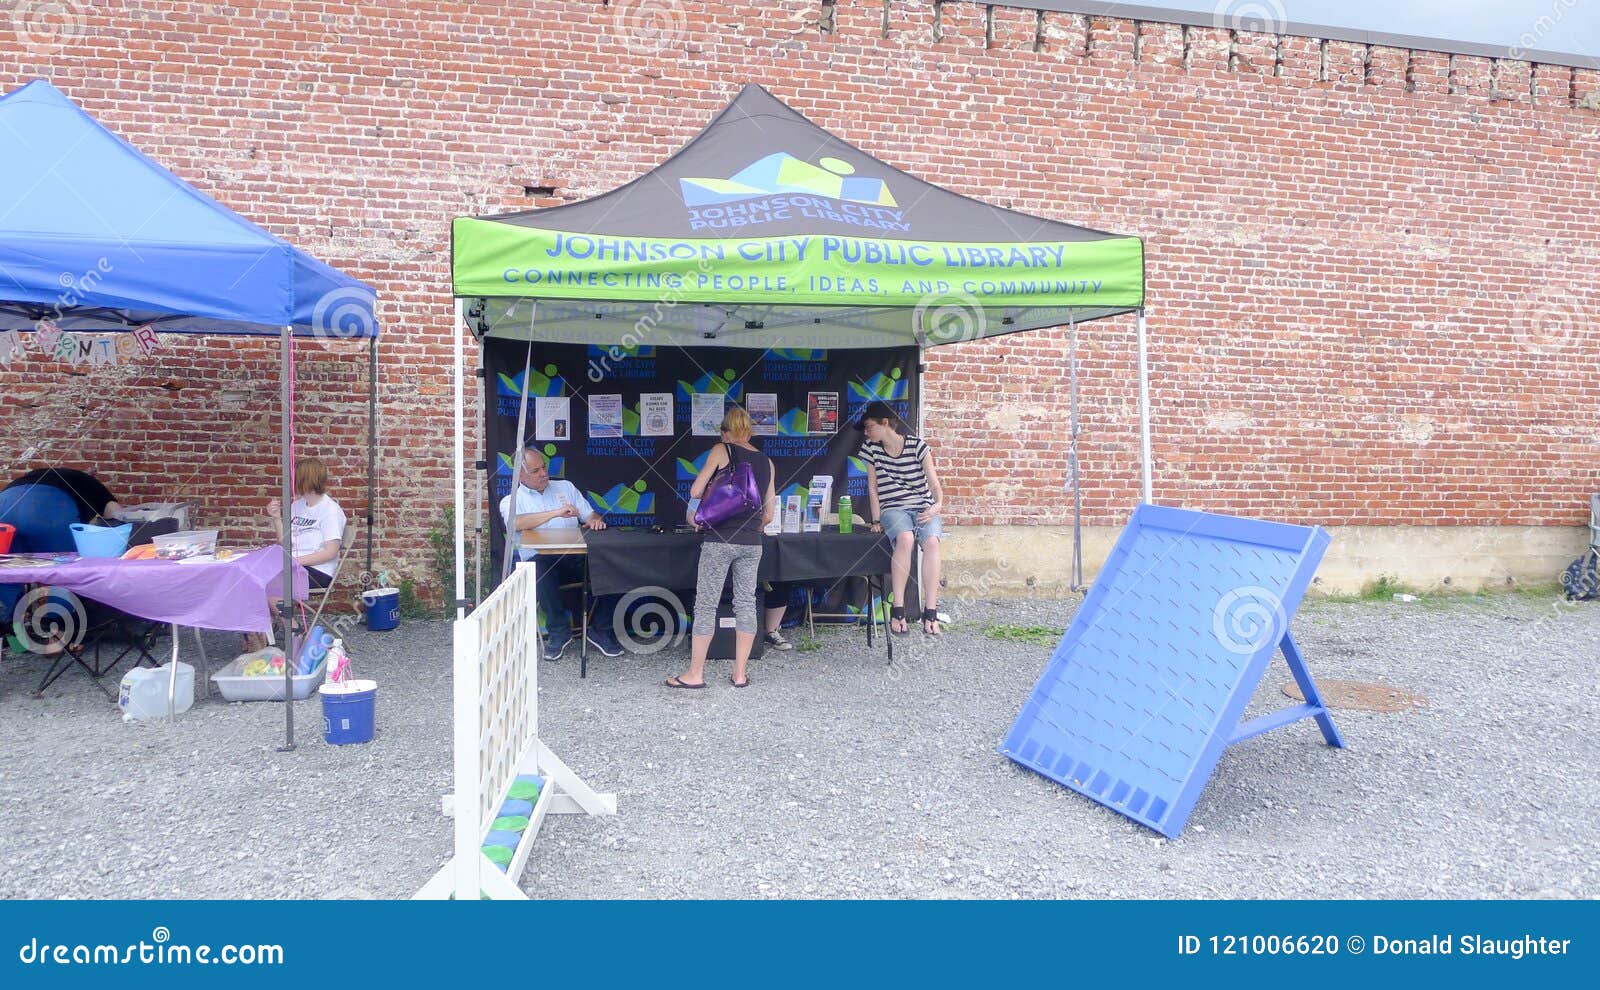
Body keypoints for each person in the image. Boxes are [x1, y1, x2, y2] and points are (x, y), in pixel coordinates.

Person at [667, 406, 775, 689]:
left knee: (705, 605)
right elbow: (769, 515)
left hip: (719, 540)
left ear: (726, 433)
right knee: (746, 604)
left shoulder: (721, 450)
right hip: (752, 542)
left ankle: (695, 674)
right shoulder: (767, 461)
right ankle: (739, 674)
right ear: (749, 430)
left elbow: (695, 491)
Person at [500, 444, 623, 660]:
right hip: (542, 562)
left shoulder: (565, 487)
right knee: (538, 568)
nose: (544, 474)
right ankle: (559, 633)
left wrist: (595, 521)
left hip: (574, 557)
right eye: (536, 471)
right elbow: (517, 523)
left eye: (544, 467)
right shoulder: (511, 500)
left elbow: (591, 515)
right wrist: (557, 512)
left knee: (614, 565)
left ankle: (600, 629)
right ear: (520, 474)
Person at [857, 400, 945, 634]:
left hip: (923, 506)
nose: (866, 432)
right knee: (905, 539)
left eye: (869, 426)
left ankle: (931, 612)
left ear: (885, 423)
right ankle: (898, 608)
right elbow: (873, 488)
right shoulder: (871, 448)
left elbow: (934, 483)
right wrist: (876, 520)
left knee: (932, 542)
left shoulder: (918, 446)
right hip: (893, 507)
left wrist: (938, 505)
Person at [2, 466, 123, 524]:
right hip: (49, 503)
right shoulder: (93, 486)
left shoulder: (44, 473)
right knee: (65, 562)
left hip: (6, 498)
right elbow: (117, 516)